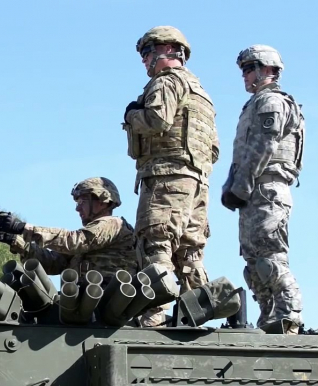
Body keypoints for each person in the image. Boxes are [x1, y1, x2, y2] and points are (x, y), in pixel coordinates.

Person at [122, 26, 219, 327]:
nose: (145, 61)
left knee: (156, 244)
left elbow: (156, 120)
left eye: (147, 53)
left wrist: (131, 116)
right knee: (190, 254)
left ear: (168, 50)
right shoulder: (201, 93)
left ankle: (154, 317)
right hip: (197, 182)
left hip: (165, 177)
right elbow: (213, 149)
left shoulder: (166, 82)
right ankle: (196, 318)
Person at [221, 44, 305, 335]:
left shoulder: (271, 102)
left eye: (249, 69)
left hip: (267, 188)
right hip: (254, 191)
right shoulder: (254, 104)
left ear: (267, 69)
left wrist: (240, 185)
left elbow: (264, 147)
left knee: (270, 258)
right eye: (243, 70)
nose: (244, 76)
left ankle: (288, 314)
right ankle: (270, 318)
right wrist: (232, 186)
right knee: (254, 264)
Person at [0, 177, 137, 282]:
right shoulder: (89, 237)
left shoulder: (113, 224)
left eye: (82, 202)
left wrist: (24, 228)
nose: (77, 208)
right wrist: (17, 242)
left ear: (101, 201)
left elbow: (75, 241)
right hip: (83, 309)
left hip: (107, 307)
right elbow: (54, 263)